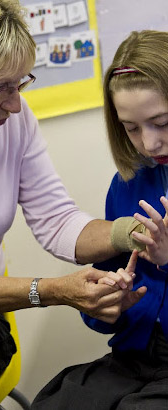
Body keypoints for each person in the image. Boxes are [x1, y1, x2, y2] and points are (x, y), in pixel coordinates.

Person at [0, 0, 156, 386]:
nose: (15, 104)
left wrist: (131, 232)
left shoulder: (14, 119)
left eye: (21, 83)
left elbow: (56, 219)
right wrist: (52, 291)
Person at [32, 30, 168, 410]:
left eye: (163, 122)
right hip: (137, 353)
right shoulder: (129, 182)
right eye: (131, 128)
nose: (150, 144)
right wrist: (109, 304)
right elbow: (108, 299)